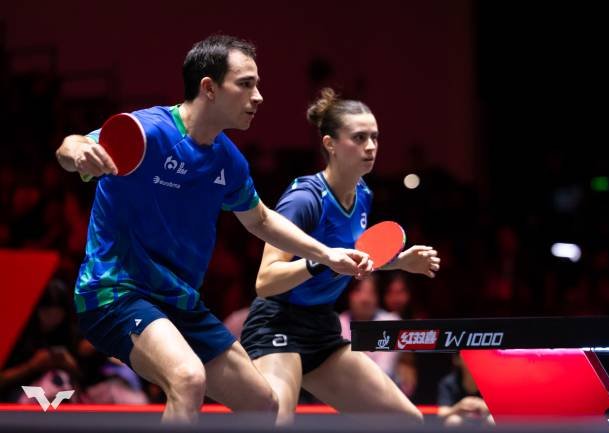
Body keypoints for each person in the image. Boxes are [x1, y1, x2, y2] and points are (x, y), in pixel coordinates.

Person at [54, 35, 371, 423]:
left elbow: (261, 219)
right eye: (246, 84)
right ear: (209, 88)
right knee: (188, 379)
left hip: (179, 302)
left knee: (263, 404)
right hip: (116, 292)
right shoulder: (149, 132)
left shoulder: (228, 161)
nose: (258, 97)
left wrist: (326, 254)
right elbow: (70, 148)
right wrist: (77, 151)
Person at [240, 88, 441, 424]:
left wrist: (399, 262)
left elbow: (352, 259)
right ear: (330, 144)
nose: (371, 146)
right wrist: (320, 261)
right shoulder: (304, 199)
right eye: (359, 138)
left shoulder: (363, 194)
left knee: (407, 421)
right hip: (278, 324)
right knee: (276, 423)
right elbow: (266, 281)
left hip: (322, 326)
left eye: (374, 137)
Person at [437, 354, 494, 426]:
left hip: (484, 419)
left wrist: (483, 405)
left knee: (492, 420)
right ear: (456, 360)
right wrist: (460, 406)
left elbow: (503, 411)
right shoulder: (448, 383)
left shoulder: (491, 381)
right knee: (454, 420)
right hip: (461, 419)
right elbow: (442, 414)